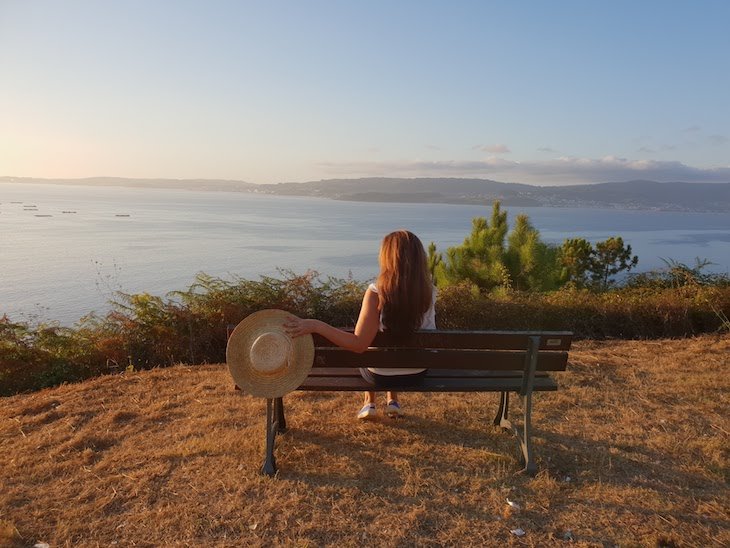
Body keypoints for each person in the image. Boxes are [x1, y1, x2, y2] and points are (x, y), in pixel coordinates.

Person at [284, 229, 437, 420]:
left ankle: (369, 403)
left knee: (370, 350)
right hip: (417, 373)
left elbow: (358, 344)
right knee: (389, 347)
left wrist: (317, 325)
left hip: (380, 374)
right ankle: (392, 400)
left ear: (387, 258)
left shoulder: (375, 293)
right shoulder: (429, 292)